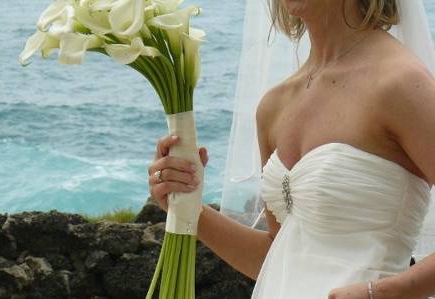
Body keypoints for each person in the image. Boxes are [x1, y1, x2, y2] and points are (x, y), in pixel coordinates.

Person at [148, 0, 435, 298]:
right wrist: (188, 205)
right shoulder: (275, 106)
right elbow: (276, 255)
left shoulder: (401, 84)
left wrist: (386, 292)